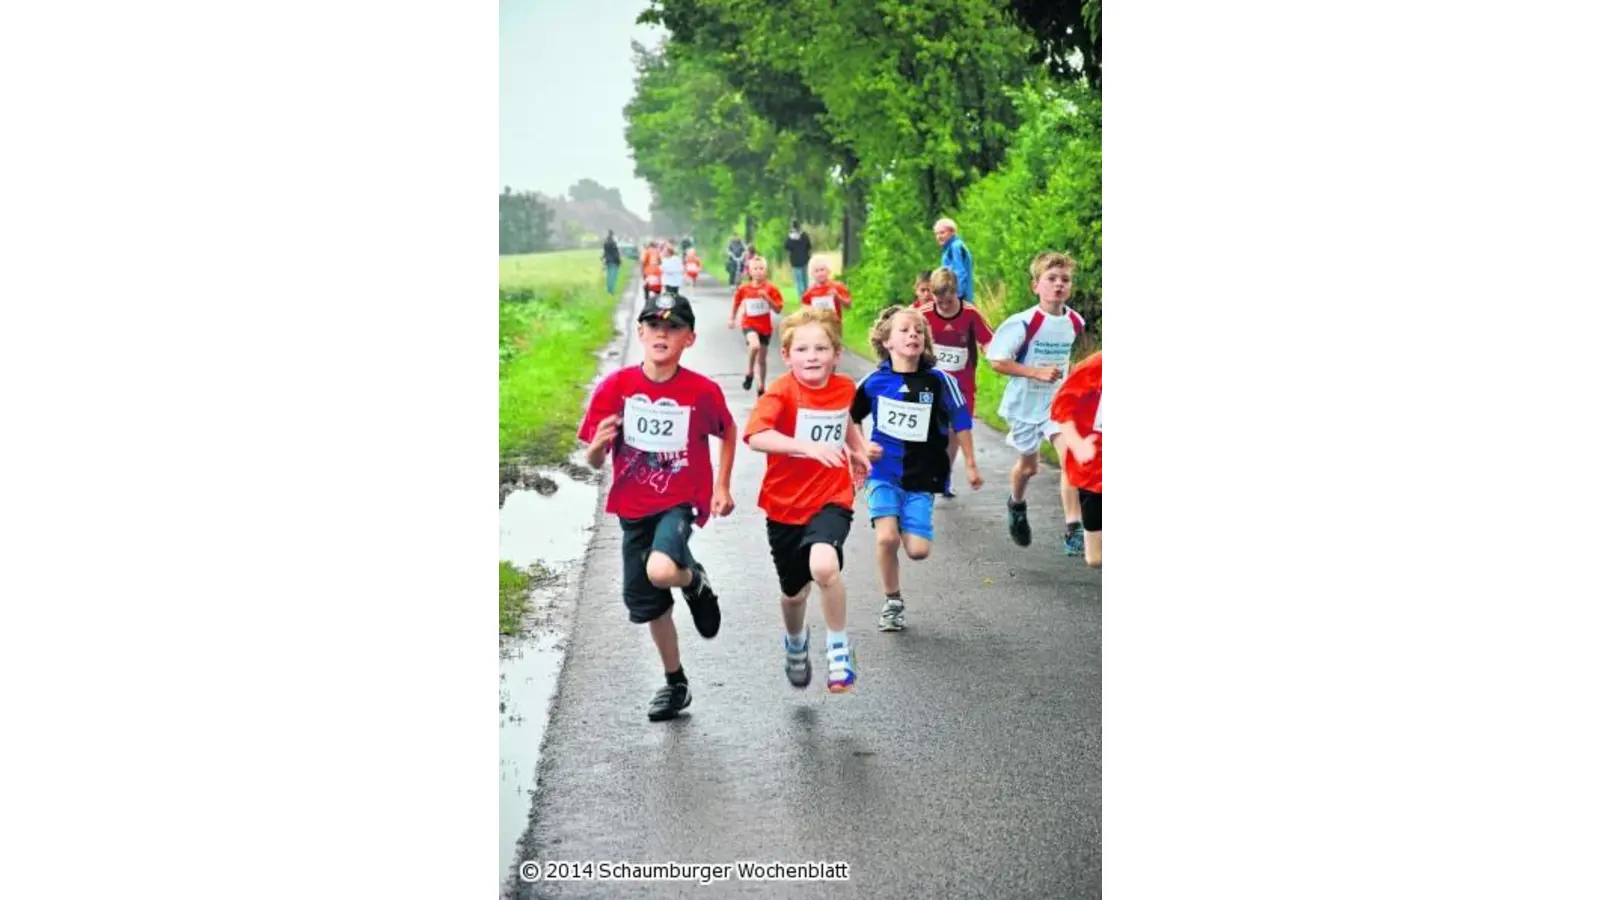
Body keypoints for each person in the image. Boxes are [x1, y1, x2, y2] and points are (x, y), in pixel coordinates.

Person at [576, 292, 736, 722]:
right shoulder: (616, 388)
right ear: (641, 331)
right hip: (633, 509)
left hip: (680, 502)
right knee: (651, 606)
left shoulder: (701, 391)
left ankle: (694, 580)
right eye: (654, 325)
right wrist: (598, 446)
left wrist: (721, 486)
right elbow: (593, 461)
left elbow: (727, 431)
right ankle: (675, 682)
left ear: (689, 338)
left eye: (674, 327)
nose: (662, 333)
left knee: (661, 571)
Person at [744, 307, 872, 693]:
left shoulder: (845, 387)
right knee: (793, 594)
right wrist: (806, 447)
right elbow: (756, 436)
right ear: (787, 355)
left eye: (821, 348)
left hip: (832, 495)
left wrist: (858, 449)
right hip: (784, 505)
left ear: (836, 354)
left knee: (824, 566)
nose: (812, 357)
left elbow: (843, 419)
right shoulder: (781, 391)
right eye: (802, 349)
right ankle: (796, 642)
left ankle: (838, 648)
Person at [851, 306, 981, 632]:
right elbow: (849, 417)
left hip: (922, 477)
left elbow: (961, 420)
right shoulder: (874, 382)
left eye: (919, 331)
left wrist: (971, 464)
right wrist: (862, 447)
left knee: (918, 551)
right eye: (905, 330)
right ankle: (892, 602)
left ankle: (904, 521)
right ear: (886, 341)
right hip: (882, 473)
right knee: (886, 539)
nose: (913, 335)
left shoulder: (940, 381)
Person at [986, 251, 1089, 555]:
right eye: (1051, 278)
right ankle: (1016, 504)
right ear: (1036, 286)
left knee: (1071, 457)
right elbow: (997, 361)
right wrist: (1035, 372)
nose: (1058, 284)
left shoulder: (1075, 321)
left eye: (1065, 279)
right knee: (1028, 468)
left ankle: (1073, 529)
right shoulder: (1023, 322)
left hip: (1058, 404)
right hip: (1024, 405)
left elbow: (1071, 358)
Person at [915, 267, 995, 498]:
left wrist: (993, 355)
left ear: (956, 292)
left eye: (948, 300)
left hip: (962, 383)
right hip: (932, 381)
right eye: (938, 300)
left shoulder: (970, 314)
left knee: (956, 430)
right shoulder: (923, 314)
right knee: (932, 429)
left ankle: (945, 473)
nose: (944, 305)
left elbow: (988, 341)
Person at [1050, 351, 1102, 568]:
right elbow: (1063, 404)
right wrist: (1076, 443)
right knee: (1095, 559)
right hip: (1097, 471)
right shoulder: (1098, 365)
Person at [727, 255, 785, 395]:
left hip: (765, 328)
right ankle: (750, 372)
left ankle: (761, 387)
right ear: (750, 271)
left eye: (761, 268)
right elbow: (736, 303)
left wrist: (767, 298)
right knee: (754, 346)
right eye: (755, 268)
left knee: (762, 360)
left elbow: (778, 309)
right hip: (749, 324)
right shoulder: (744, 289)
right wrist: (732, 318)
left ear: (766, 271)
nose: (758, 271)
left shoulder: (771, 288)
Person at [933, 218, 975, 303]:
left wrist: (956, 297)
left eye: (942, 233)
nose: (938, 237)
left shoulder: (955, 247)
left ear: (952, 232)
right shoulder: (950, 248)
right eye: (936, 234)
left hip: (960, 299)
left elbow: (960, 274)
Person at [784, 219, 813, 293]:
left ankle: (801, 296)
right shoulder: (804, 235)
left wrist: (790, 237)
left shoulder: (791, 237)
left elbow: (786, 247)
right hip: (805, 260)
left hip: (795, 262)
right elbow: (809, 246)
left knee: (798, 281)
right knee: (805, 280)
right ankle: (806, 294)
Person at [641, 240, 664, 304]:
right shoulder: (657, 252)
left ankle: (647, 301)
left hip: (648, 272)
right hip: (656, 272)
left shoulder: (646, 251)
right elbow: (660, 262)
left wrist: (642, 272)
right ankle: (657, 301)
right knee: (657, 287)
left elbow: (643, 262)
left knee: (646, 287)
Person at [602, 230, 623, 295]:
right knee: (613, 277)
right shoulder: (613, 243)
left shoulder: (605, 243)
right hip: (614, 262)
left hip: (608, 261)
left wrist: (603, 257)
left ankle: (608, 289)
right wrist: (619, 261)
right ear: (613, 235)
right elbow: (615, 253)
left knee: (609, 276)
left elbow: (605, 252)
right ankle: (611, 290)